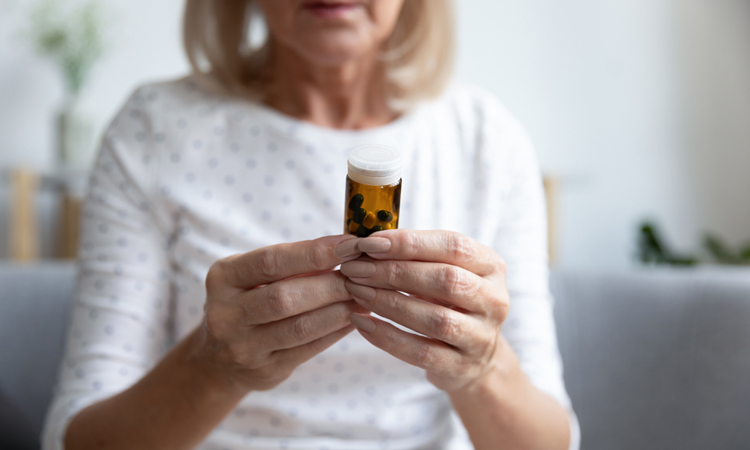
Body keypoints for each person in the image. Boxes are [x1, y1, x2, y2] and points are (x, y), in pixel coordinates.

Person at [43, 1, 579, 449]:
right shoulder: (155, 129)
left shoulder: (486, 142)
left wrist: (482, 368)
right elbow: (76, 435)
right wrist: (214, 367)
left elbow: (553, 439)